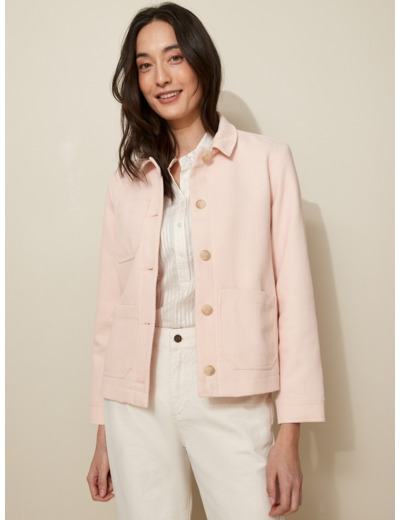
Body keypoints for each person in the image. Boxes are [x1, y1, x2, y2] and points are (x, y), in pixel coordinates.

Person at [86, 3, 325, 519]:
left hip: (232, 390)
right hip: (136, 396)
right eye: (145, 65)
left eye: (174, 57)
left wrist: (289, 437)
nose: (161, 77)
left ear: (201, 61)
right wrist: (103, 430)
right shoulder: (126, 182)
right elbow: (111, 312)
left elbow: (295, 306)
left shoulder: (266, 161)